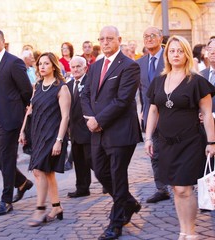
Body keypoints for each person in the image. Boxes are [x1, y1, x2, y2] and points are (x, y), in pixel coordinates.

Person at [145, 35, 215, 239]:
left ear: (186, 54)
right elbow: (153, 111)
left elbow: (208, 115)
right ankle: (183, 231)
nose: (176, 54)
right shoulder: (158, 81)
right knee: (176, 188)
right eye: (172, 51)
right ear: (167, 55)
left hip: (191, 142)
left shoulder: (197, 81)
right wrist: (148, 138)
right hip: (166, 143)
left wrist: (212, 142)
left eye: (180, 50)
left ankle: (191, 233)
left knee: (185, 187)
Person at [81, 25, 142, 240]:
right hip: (97, 130)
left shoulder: (129, 66)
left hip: (120, 132)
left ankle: (116, 223)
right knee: (99, 170)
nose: (105, 42)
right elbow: (86, 94)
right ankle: (129, 202)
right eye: (102, 39)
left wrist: (99, 120)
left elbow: (122, 100)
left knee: (118, 176)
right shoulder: (95, 66)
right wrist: (90, 119)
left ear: (119, 40)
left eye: (109, 38)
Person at [0, 29, 33, 216]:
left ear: (3, 41)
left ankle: (6, 200)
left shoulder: (14, 62)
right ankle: (22, 182)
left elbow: (26, 92)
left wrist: (17, 114)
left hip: (10, 118)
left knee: (6, 157)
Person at [19, 52, 71, 226]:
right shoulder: (38, 85)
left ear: (54, 66)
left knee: (39, 171)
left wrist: (59, 140)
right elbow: (30, 110)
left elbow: (65, 117)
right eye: (40, 64)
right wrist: (23, 131)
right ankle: (56, 207)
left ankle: (40, 209)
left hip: (52, 135)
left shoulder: (61, 87)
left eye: (46, 63)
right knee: (47, 173)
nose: (42, 67)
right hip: (37, 134)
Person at [136, 26, 170, 203]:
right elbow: (142, 89)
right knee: (154, 151)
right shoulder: (140, 63)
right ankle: (161, 188)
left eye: (152, 36)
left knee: (174, 150)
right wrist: (143, 109)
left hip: (171, 113)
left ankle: (184, 182)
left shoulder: (170, 57)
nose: (149, 39)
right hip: (150, 114)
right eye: (145, 36)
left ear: (160, 38)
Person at [67, 56, 92, 198]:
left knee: (93, 160)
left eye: (78, 67)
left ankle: (108, 184)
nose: (75, 69)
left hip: (88, 129)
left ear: (85, 68)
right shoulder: (69, 86)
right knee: (79, 161)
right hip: (75, 130)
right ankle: (82, 188)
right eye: (73, 67)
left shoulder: (90, 83)